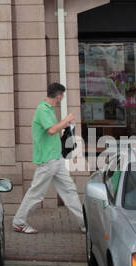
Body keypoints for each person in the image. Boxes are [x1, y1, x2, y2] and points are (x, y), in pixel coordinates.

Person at [12, 82, 83, 234]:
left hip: (55, 159)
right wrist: (66, 119)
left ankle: (84, 224)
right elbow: (51, 130)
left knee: (69, 191)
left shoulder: (48, 110)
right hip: (47, 160)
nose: (62, 99)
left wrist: (65, 124)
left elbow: (54, 128)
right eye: (62, 96)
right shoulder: (42, 110)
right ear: (58, 96)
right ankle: (19, 222)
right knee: (36, 194)